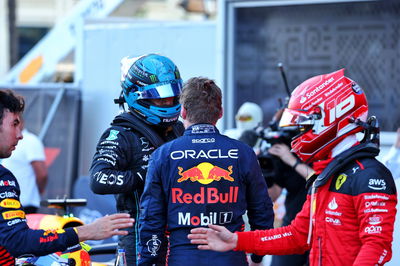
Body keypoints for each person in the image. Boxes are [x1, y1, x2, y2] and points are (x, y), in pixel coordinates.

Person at [188, 69, 397, 265]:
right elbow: (297, 236)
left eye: (304, 126)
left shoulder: (369, 175)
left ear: (332, 117)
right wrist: (236, 240)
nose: (298, 135)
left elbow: (377, 246)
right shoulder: (327, 174)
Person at [138, 77, 274, 266]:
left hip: (182, 258)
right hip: (230, 258)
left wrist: (149, 262)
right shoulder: (243, 153)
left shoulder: (163, 155)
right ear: (220, 113)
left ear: (183, 112)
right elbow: (262, 210)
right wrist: (257, 256)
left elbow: (151, 218)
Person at [0, 89, 134, 265]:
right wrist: (86, 231)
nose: (20, 134)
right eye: (14, 124)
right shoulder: (3, 177)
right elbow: (19, 242)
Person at [89, 54, 184, 265]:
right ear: (138, 96)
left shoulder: (178, 130)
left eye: (172, 96)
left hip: (179, 235)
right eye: (160, 98)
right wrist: (145, 174)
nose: (168, 103)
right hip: (138, 240)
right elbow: (98, 179)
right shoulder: (120, 134)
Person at [2, 119, 48, 214]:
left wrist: (37, 191)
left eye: (16, 124)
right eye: (14, 124)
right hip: (7, 202)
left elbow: (42, 174)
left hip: (25, 204)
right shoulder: (5, 142)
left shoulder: (31, 141)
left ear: (22, 122)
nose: (19, 135)